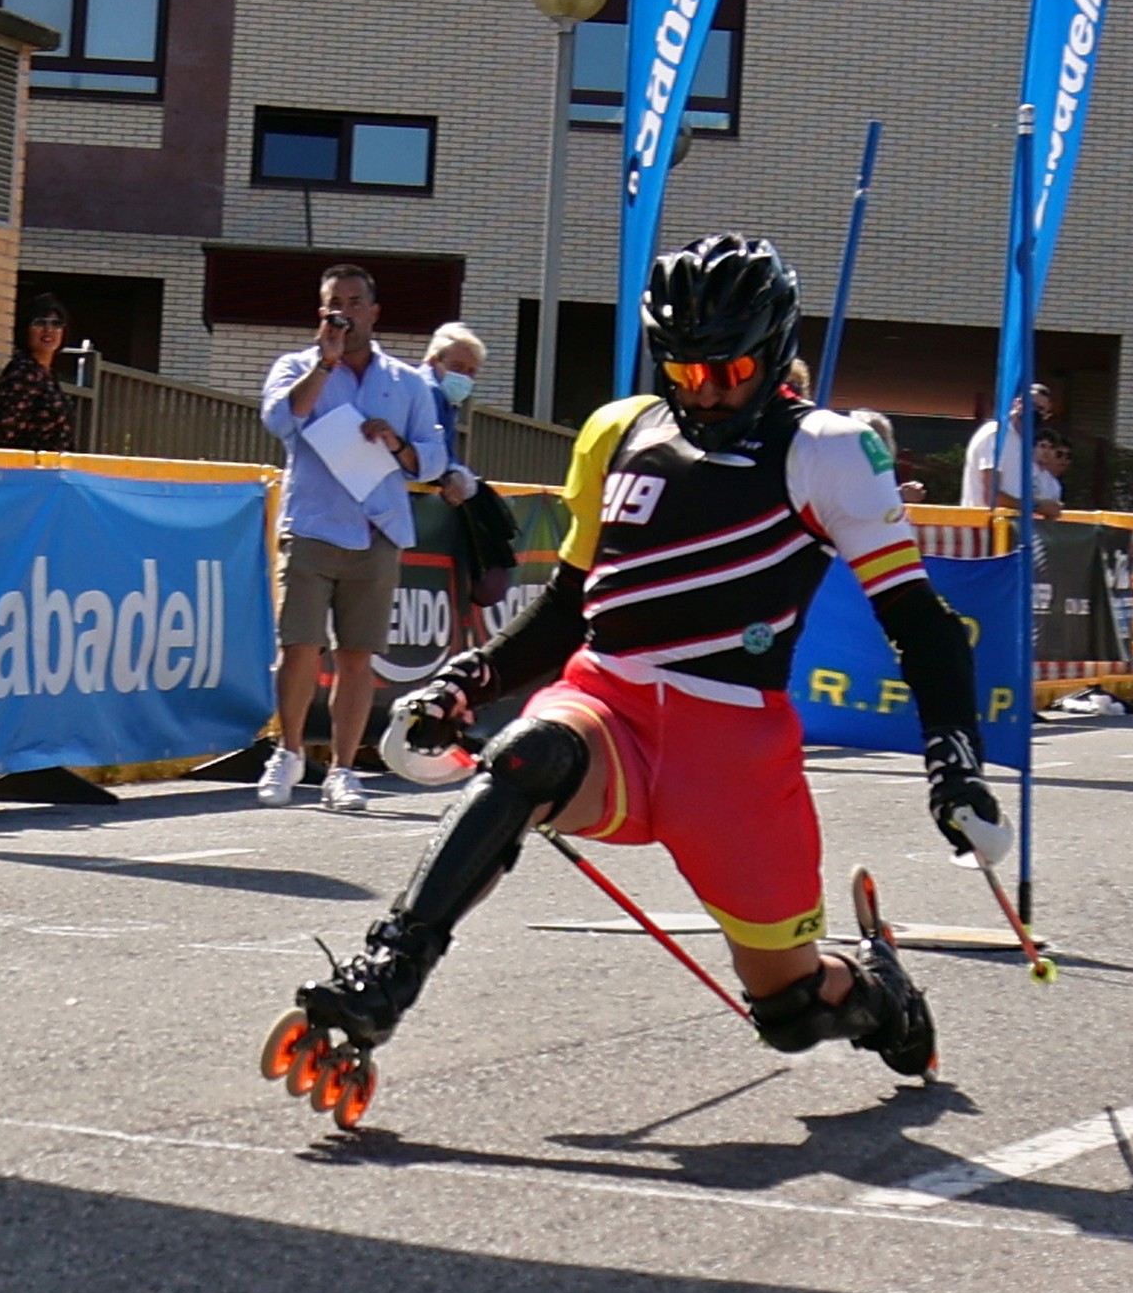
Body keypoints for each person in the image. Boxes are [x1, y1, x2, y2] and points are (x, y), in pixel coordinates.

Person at [290, 233, 997, 1086]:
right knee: (526, 755)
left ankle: (880, 991)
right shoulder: (619, 428)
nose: (706, 391)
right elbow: (568, 604)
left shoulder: (830, 448)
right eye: (685, 370)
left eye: (730, 370)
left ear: (775, 352)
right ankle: (387, 973)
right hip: (610, 705)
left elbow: (920, 621)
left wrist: (953, 760)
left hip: (732, 749)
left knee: (792, 1013)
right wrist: (468, 679)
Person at [259, 264, 469, 813]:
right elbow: (280, 420)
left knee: (357, 656)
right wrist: (325, 363)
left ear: (374, 313)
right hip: (312, 525)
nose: (345, 313)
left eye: (355, 303)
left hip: (377, 529)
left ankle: (344, 769)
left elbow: (434, 458)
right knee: (298, 647)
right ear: (321, 312)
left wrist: (397, 444)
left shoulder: (405, 382)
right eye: (335, 303)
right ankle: (288, 753)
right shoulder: (296, 367)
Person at [0, 294, 74, 451]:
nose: (48, 329)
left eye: (56, 324)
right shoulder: (22, 372)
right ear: (25, 329)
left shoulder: (49, 374)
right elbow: (5, 434)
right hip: (23, 464)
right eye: (40, 323)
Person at [420, 321, 486, 466]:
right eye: (457, 367)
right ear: (433, 361)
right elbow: (435, 458)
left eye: (471, 371)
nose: (464, 376)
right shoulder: (431, 393)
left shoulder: (445, 396)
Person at [991, 384, 1058, 512]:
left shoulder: (1024, 445)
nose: (1034, 411)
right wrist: (1038, 506)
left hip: (1013, 522)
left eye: (1040, 409)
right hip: (986, 522)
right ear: (1017, 403)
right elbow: (991, 495)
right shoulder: (996, 435)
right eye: (1031, 405)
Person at [848, 408, 926, 503]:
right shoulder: (839, 469)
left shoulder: (888, 473)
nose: (877, 445)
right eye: (869, 439)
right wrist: (898, 494)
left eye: (882, 439)